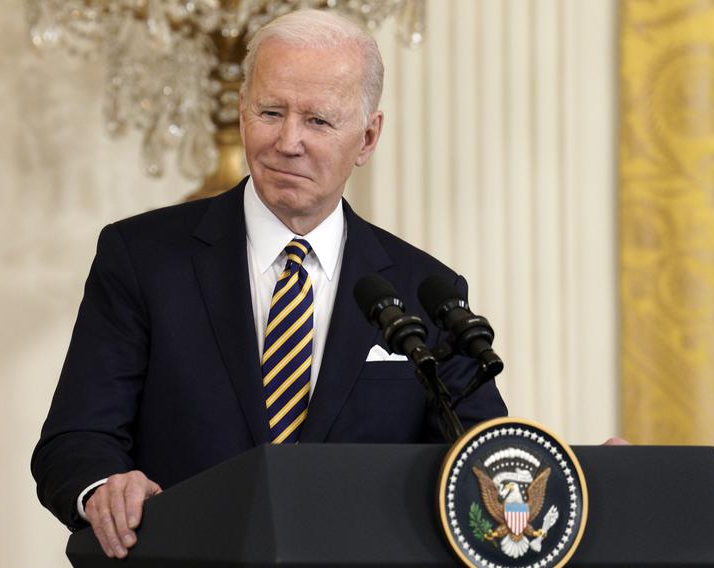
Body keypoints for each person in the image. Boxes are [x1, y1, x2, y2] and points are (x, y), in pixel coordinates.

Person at [31, 9, 507, 559]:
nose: (288, 141)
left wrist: (596, 475)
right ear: (241, 111)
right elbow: (74, 441)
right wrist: (104, 489)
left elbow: (485, 460)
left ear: (368, 137)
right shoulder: (142, 258)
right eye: (271, 111)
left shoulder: (426, 287)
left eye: (318, 121)